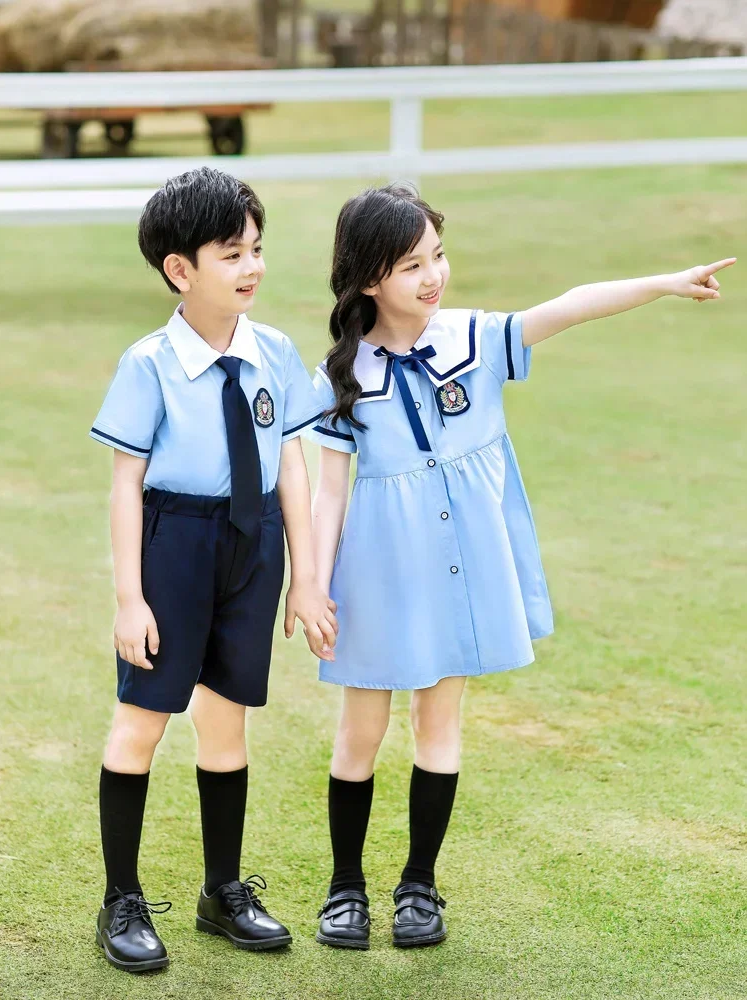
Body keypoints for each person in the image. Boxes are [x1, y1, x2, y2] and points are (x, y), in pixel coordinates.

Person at [303, 183, 735, 950]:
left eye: (437, 255)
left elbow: (572, 305)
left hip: (456, 567)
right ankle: (345, 890)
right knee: (358, 736)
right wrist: (311, 584)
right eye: (411, 265)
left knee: (440, 726)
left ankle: (419, 888)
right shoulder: (341, 374)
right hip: (373, 573)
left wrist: (663, 284)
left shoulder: (475, 337)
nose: (433, 276)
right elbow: (328, 493)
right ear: (369, 279)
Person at [90, 167, 337, 973]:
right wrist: (131, 598)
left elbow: (291, 463)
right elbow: (127, 482)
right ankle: (120, 900)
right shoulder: (149, 361)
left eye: (257, 249)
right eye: (232, 253)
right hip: (177, 544)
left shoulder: (275, 351)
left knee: (227, 721)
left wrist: (304, 575)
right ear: (179, 269)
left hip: (253, 543)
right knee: (144, 722)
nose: (252, 267)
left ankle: (221, 891)